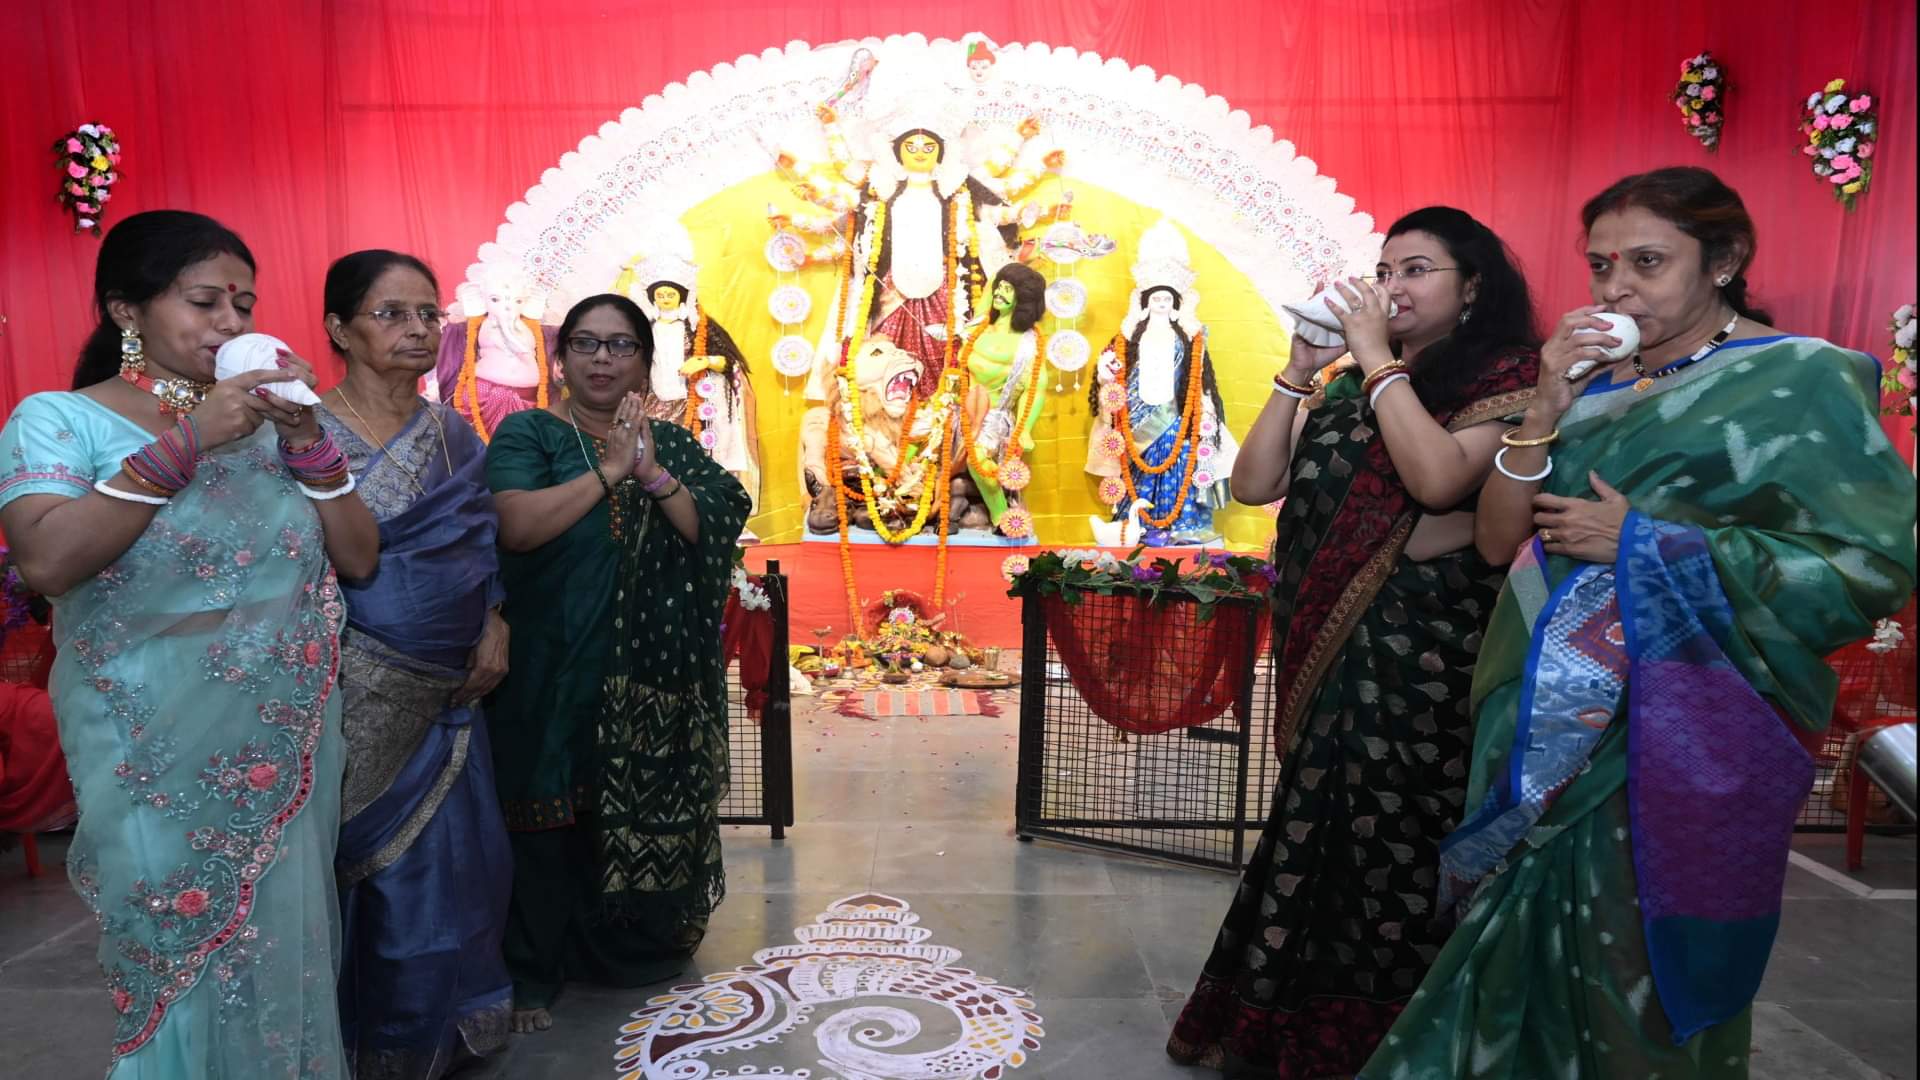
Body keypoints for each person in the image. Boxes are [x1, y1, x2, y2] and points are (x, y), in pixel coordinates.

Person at [1361, 167, 1916, 1079]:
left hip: (1681, 723)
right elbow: (1502, 542)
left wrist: (1644, 541)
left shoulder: (1800, 379)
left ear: (1725, 261)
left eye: (1648, 263)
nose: (1617, 289)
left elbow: (1871, 568)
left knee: (1628, 951)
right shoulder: (1594, 392)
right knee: (1520, 931)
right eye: (1601, 266)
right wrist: (1545, 403)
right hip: (1538, 710)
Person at [0, 209, 379, 1077]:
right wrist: (192, 438)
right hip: (146, 733)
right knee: (174, 938)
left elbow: (358, 558)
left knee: (287, 937)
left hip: (284, 733)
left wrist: (306, 438)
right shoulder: (61, 420)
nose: (233, 324)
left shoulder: (272, 425)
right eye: (206, 301)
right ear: (125, 310)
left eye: (243, 304)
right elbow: (49, 558)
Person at [1167, 206, 1541, 1078]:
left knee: (1391, 840)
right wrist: (1299, 375)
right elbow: (1255, 484)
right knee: (1313, 831)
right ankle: (1277, 1025)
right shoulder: (1347, 382)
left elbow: (1440, 479)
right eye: (1385, 269)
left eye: (1416, 270)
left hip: (1418, 657)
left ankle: (1392, 1038)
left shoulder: (1506, 379)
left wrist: (1377, 361)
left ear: (1473, 286)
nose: (1391, 288)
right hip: (1325, 646)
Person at [484, 294, 750, 1033]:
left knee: (623, 809)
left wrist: (654, 474)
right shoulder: (530, 433)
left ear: (644, 359)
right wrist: (609, 469)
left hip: (651, 678)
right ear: (561, 358)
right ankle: (532, 973)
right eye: (586, 344)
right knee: (542, 815)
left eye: (621, 345)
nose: (602, 359)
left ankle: (628, 946)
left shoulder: (676, 444)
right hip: (551, 663)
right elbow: (519, 525)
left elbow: (717, 522)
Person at [315, 249, 514, 1077]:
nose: (417, 329)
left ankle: (455, 1023)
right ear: (339, 329)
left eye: (428, 313)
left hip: (456, 693)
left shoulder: (451, 431)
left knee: (463, 865)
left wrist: (496, 619)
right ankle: (376, 1039)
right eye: (390, 313)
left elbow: (478, 543)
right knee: (373, 872)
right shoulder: (303, 433)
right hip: (350, 687)